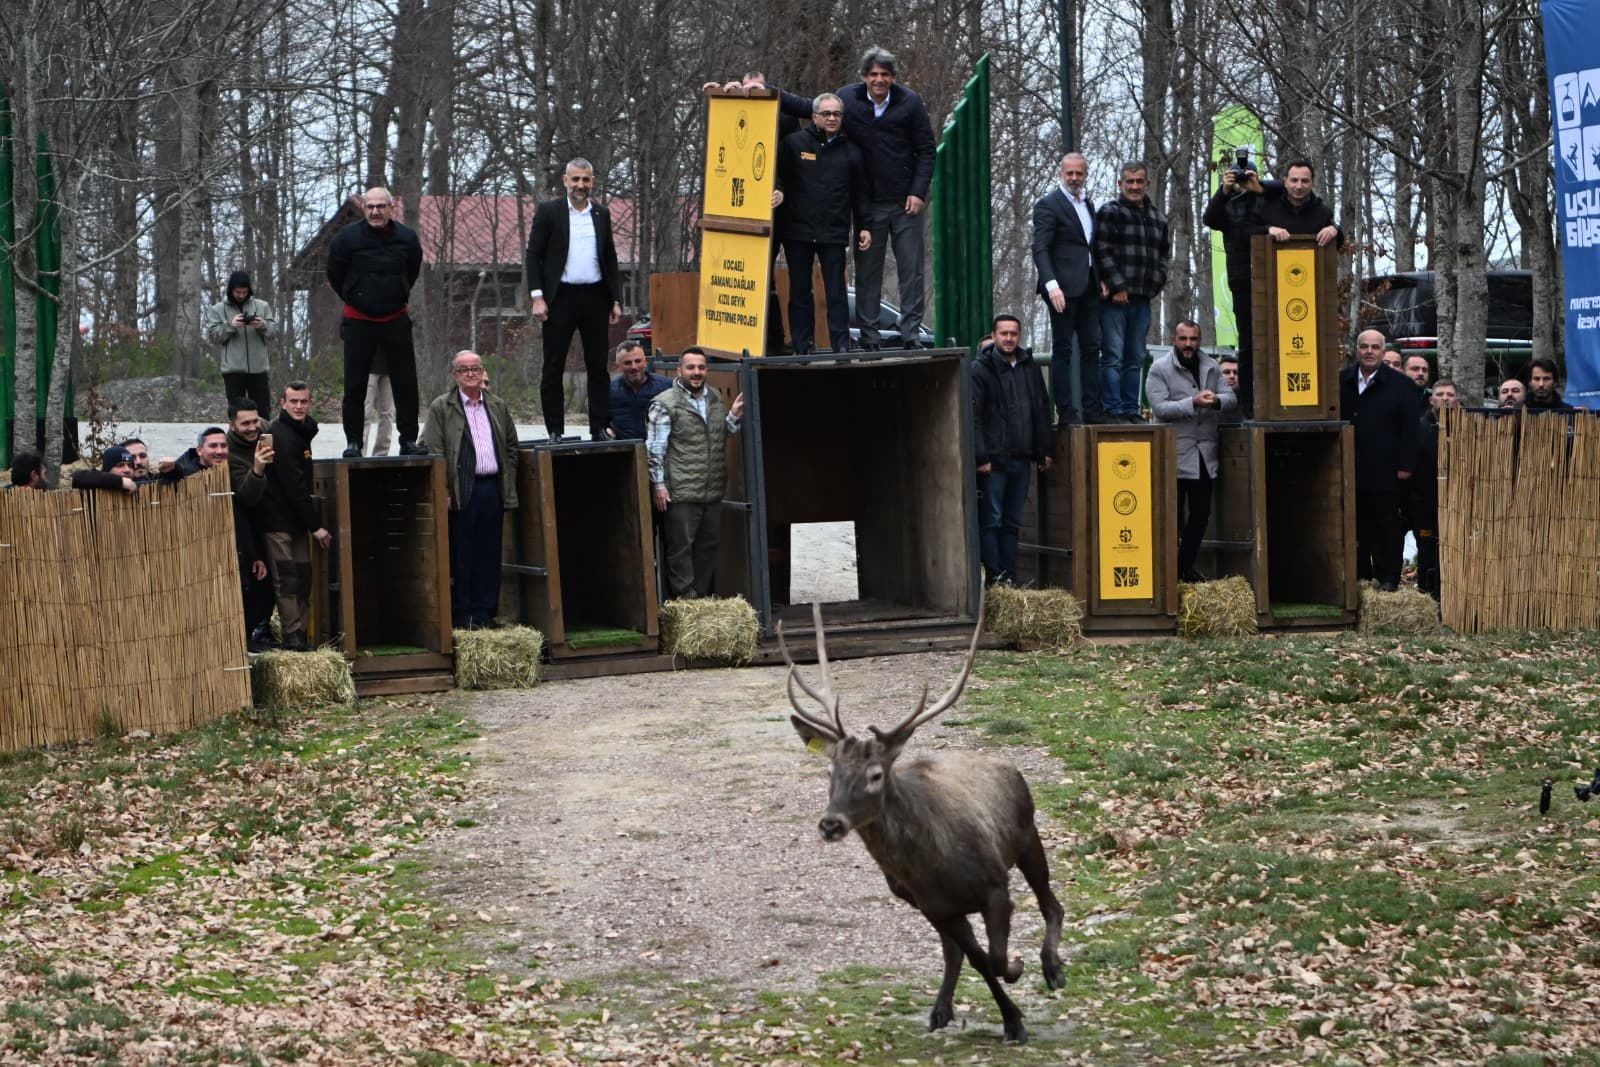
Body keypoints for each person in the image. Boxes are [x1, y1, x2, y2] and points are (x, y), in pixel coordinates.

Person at [838, 46, 935, 351]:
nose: (878, 80)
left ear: (893, 77)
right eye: (873, 74)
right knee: (867, 272)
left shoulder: (910, 103)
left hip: (906, 203)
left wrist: (918, 191)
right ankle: (869, 337)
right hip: (868, 205)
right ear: (863, 77)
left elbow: (926, 151)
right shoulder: (847, 99)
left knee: (912, 270)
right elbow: (812, 110)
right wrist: (765, 91)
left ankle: (910, 333)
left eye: (884, 75)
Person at [524, 158, 624, 441]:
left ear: (592, 181)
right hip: (560, 297)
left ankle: (599, 427)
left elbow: (610, 257)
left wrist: (615, 298)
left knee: (597, 366)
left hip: (595, 296)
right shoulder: (549, 212)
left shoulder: (601, 214)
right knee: (553, 365)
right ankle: (555, 429)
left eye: (586, 180)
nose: (581, 185)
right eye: (576, 179)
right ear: (565, 181)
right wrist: (537, 297)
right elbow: (533, 255)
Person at [421, 350, 521, 630]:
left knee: (490, 553)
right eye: (464, 370)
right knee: (462, 554)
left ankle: (485, 613)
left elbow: (512, 447)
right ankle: (462, 614)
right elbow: (434, 450)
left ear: (482, 371)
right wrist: (443, 490)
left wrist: (507, 480)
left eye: (475, 368)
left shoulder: (497, 405)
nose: (471, 373)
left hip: (492, 487)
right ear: (455, 375)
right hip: (461, 490)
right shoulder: (442, 407)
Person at [326, 186, 425, 458]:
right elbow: (334, 274)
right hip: (359, 320)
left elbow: (413, 270)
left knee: (406, 383)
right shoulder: (346, 239)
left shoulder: (407, 238)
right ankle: (354, 442)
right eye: (370, 206)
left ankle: (408, 439)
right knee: (355, 385)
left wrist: (397, 292)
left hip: (395, 319)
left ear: (391, 208)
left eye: (381, 206)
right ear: (364, 208)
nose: (375, 211)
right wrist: (354, 295)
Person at [775, 92, 870, 355]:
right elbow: (777, 175)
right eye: (826, 114)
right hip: (797, 231)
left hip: (834, 233)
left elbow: (861, 193)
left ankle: (841, 345)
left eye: (836, 114)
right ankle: (802, 346)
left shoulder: (852, 151)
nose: (831, 118)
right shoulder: (793, 143)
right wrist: (778, 190)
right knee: (799, 292)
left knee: (837, 293)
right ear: (814, 117)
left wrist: (864, 226)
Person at [647, 347, 744, 599]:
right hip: (680, 492)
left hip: (711, 490)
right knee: (680, 550)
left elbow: (719, 435)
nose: (696, 372)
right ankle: (684, 602)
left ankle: (699, 600)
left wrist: (732, 417)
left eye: (701, 367)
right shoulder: (664, 403)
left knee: (707, 548)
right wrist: (659, 486)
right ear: (679, 370)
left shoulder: (713, 397)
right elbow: (654, 450)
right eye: (691, 367)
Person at [1147, 320, 1236, 583]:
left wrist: (1216, 401)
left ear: (1199, 340)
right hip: (1173, 453)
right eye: (1183, 339)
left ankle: (1184, 567)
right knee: (1171, 517)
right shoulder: (1159, 369)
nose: (1188, 344)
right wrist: (1193, 403)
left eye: (1193, 339)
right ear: (1174, 339)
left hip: (1204, 455)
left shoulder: (1210, 365)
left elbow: (1231, 398)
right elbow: (1160, 409)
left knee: (1200, 515)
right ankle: (1168, 570)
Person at [970, 315, 1053, 587]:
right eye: (1003, 333)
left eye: (1013, 333)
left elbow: (1041, 408)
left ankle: (1010, 578)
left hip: (1023, 458)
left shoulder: (1029, 366)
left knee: (1012, 522)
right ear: (993, 336)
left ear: (1019, 335)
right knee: (991, 521)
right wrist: (980, 457)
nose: (1008, 338)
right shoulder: (980, 369)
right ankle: (995, 577)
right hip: (994, 462)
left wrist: (1044, 450)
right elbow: (975, 416)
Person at [257, 381, 334, 651]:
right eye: (293, 402)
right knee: (287, 579)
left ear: (310, 403)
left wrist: (307, 524)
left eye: (303, 401)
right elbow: (293, 486)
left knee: (303, 577)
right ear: (283, 404)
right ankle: (293, 637)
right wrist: (316, 526)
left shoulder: (302, 433)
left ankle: (301, 633)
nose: (299, 406)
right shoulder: (281, 435)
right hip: (278, 520)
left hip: (298, 522)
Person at [1340, 329, 1419, 591]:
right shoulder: (1342, 381)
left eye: (1375, 347)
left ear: (1383, 352)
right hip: (1350, 471)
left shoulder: (1402, 385)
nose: (1369, 351)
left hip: (1387, 472)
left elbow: (1410, 430)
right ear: (1357, 350)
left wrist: (1405, 467)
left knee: (1387, 528)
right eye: (1364, 346)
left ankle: (1387, 580)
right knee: (1356, 528)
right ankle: (1360, 580)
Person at [1094, 161, 1170, 423]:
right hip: (1114, 301)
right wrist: (1117, 286)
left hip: (1143, 299)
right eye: (1130, 181)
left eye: (1139, 181)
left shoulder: (1158, 219)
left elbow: (1163, 258)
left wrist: (1154, 285)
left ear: (1147, 183)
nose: (1135, 186)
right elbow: (1100, 250)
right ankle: (1113, 410)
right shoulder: (1109, 212)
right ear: (1120, 184)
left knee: (1136, 357)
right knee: (1113, 355)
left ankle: (1131, 409)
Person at [1033, 152, 1104, 425]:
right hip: (1061, 289)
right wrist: (1051, 285)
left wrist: (1102, 278)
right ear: (1061, 174)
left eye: (1079, 174)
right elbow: (1040, 248)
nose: (1074, 178)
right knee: (1062, 350)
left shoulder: (1088, 204)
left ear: (1086, 175)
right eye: (1069, 173)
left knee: (1091, 348)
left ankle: (1092, 409)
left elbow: (1090, 246)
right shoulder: (1048, 205)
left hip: (1089, 286)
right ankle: (1065, 411)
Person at [1201, 158, 1275, 415]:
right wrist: (1223, 191)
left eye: (1247, 176)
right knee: (1247, 344)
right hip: (1241, 280)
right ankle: (1249, 404)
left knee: (1273, 341)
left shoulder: (1268, 199)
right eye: (1239, 176)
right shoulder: (1228, 205)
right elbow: (1209, 218)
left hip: (1273, 281)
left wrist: (1259, 186)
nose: (1243, 181)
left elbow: (1285, 196)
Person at [1411, 378, 1460, 601]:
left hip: (1458, 506)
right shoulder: (1419, 429)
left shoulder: (1468, 428)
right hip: (1426, 505)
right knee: (1428, 553)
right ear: (1432, 399)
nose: (1445, 399)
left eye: (1450, 395)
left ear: (1457, 400)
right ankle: (1426, 598)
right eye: (1440, 394)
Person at [203, 270, 276, 415]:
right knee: (237, 413)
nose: (241, 295)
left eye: (244, 291)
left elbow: (273, 333)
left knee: (263, 411)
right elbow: (213, 337)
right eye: (238, 292)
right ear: (231, 290)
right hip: (233, 370)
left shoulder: (262, 306)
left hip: (259, 368)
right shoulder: (217, 309)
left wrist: (261, 325)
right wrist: (230, 325)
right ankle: (237, 438)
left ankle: (265, 439)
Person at [1259, 159, 1341, 246]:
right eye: (1294, 180)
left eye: (1305, 181)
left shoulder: (1323, 212)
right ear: (1285, 182)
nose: (1299, 186)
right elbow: (1247, 232)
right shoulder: (1267, 208)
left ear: (1312, 183)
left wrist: (1334, 229)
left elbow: (1339, 243)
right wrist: (1268, 229)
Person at [607, 340, 671, 441]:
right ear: (617, 366)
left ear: (645, 362)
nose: (634, 367)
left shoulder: (666, 387)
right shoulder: (609, 392)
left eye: (638, 361)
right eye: (627, 363)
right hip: (624, 451)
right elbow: (602, 425)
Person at [364, 349, 397, 455]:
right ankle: (359, 453)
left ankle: (381, 455)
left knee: (388, 413)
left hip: (390, 362)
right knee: (364, 412)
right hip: (366, 362)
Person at [69, 446, 139, 492]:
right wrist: (120, 481)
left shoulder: (142, 485)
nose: (127, 470)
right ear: (107, 469)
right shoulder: (95, 484)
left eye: (130, 465)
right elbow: (78, 477)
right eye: (120, 465)